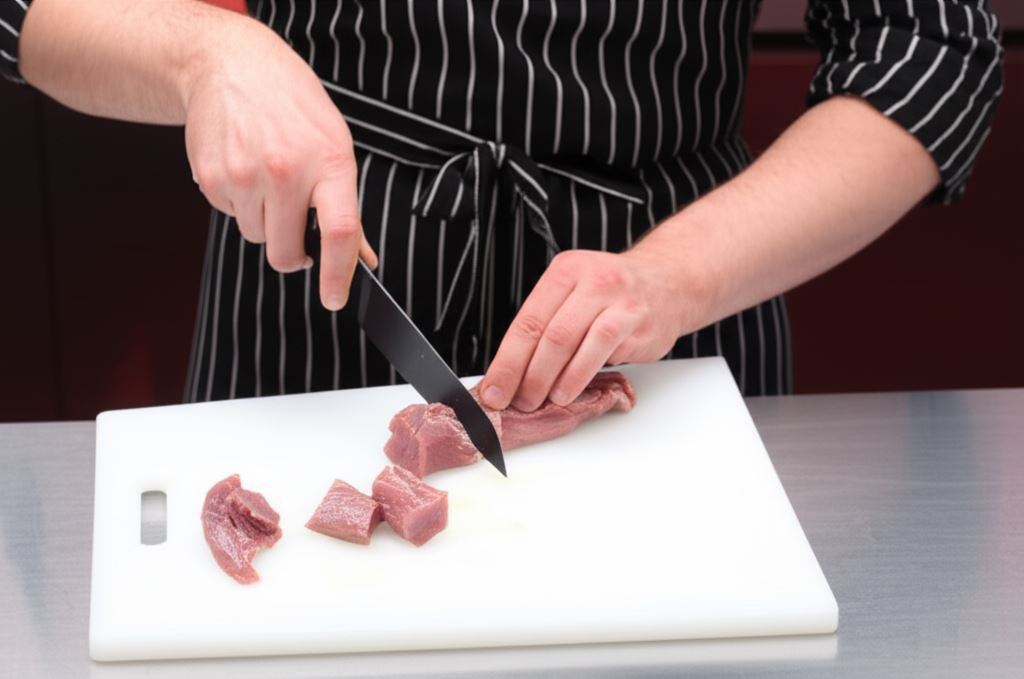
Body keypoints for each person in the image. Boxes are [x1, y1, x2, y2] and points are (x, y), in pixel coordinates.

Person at [1, 0, 1003, 411]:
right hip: (313, 285)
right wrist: (204, 53)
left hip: (664, 331)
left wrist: (675, 276)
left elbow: (926, 48)